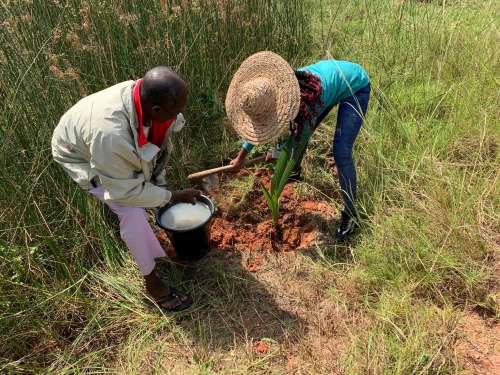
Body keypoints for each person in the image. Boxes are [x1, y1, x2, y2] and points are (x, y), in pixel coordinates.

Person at [52, 66, 199, 311]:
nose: (177, 116)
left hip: (95, 135)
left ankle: (158, 238)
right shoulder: (111, 136)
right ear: (156, 110)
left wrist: (160, 191)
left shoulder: (148, 99)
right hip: (77, 153)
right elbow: (125, 192)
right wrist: (171, 197)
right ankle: (152, 284)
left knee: (145, 185)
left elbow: (156, 148)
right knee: (131, 212)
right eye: (174, 112)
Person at [226, 51, 370, 240]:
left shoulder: (307, 99)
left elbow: (299, 137)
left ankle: (351, 214)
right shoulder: (272, 91)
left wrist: (279, 152)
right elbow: (260, 126)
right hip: (328, 83)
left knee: (341, 152)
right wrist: (240, 158)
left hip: (355, 86)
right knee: (297, 131)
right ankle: (294, 171)